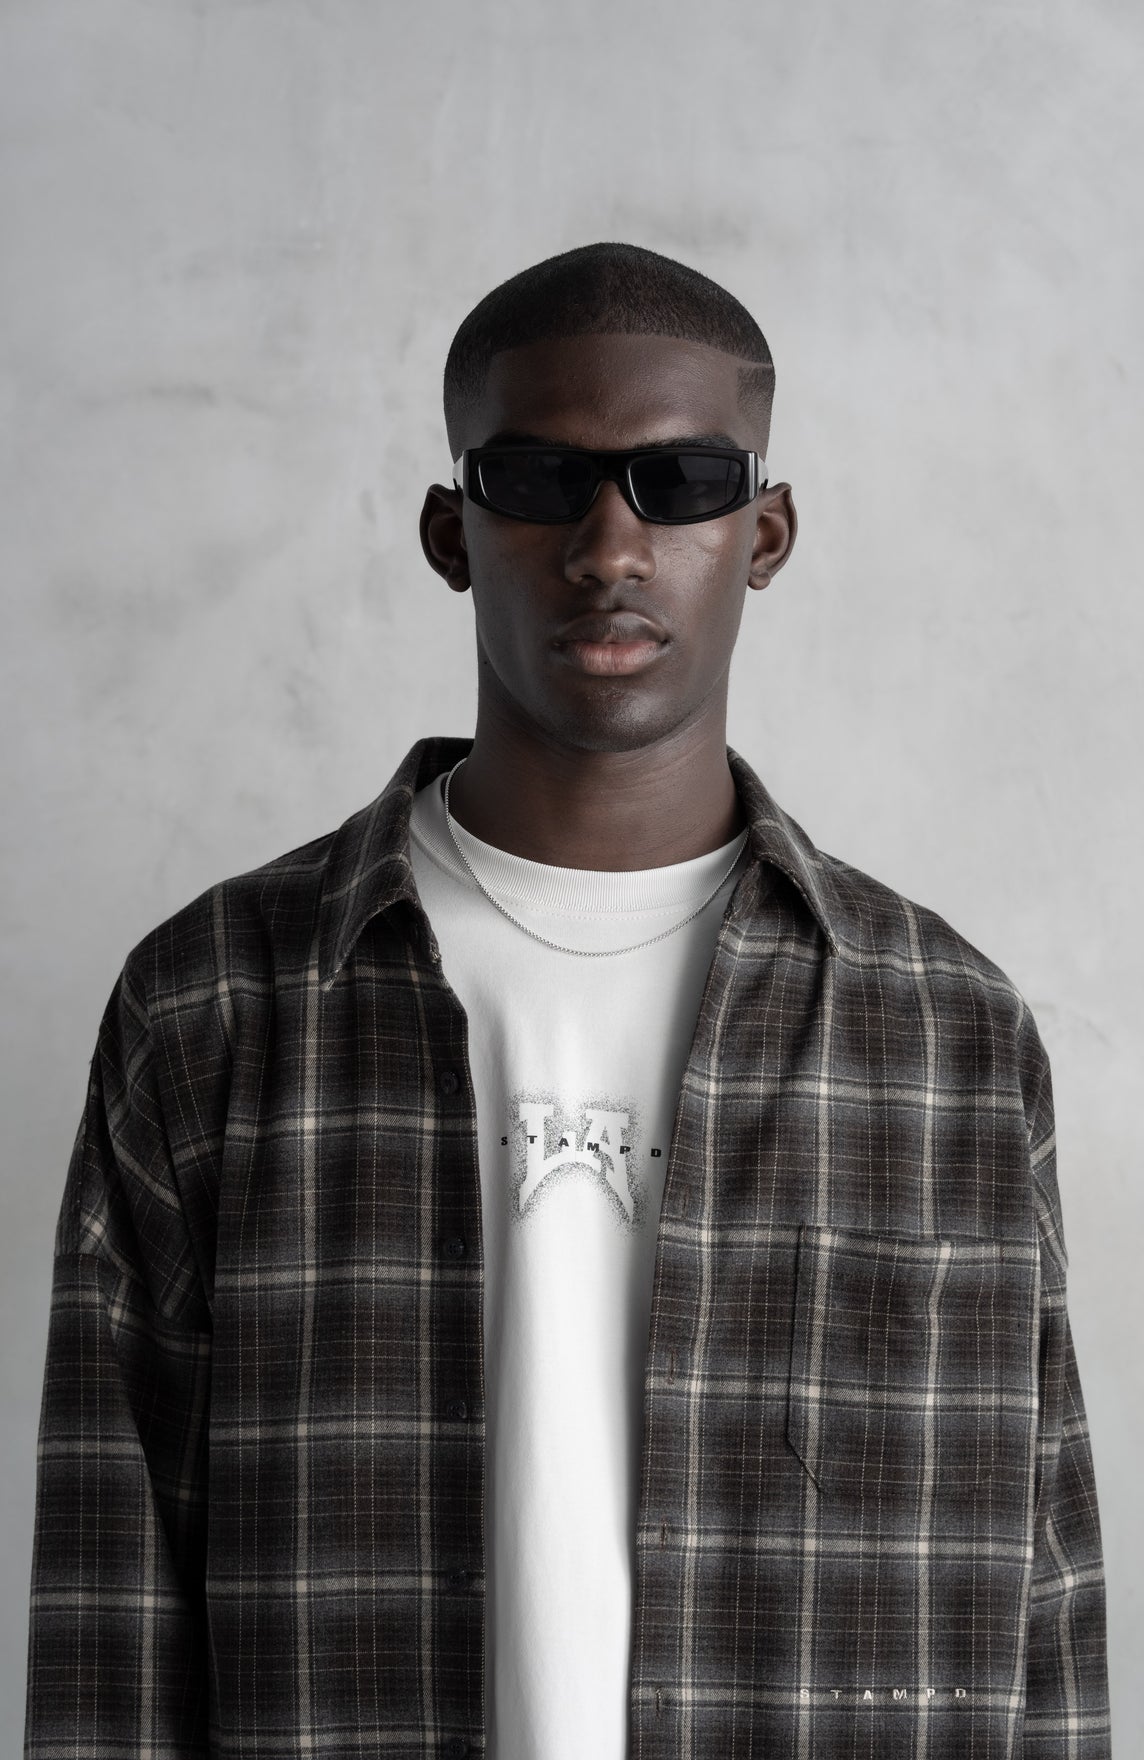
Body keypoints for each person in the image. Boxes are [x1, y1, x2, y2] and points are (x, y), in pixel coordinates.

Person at [25, 242, 1110, 1759]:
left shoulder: (947, 1037)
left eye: (683, 482)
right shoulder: (214, 1008)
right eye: (540, 480)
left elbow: (1044, 1612)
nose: (611, 547)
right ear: (449, 531)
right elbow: (109, 1607)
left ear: (766, 532)